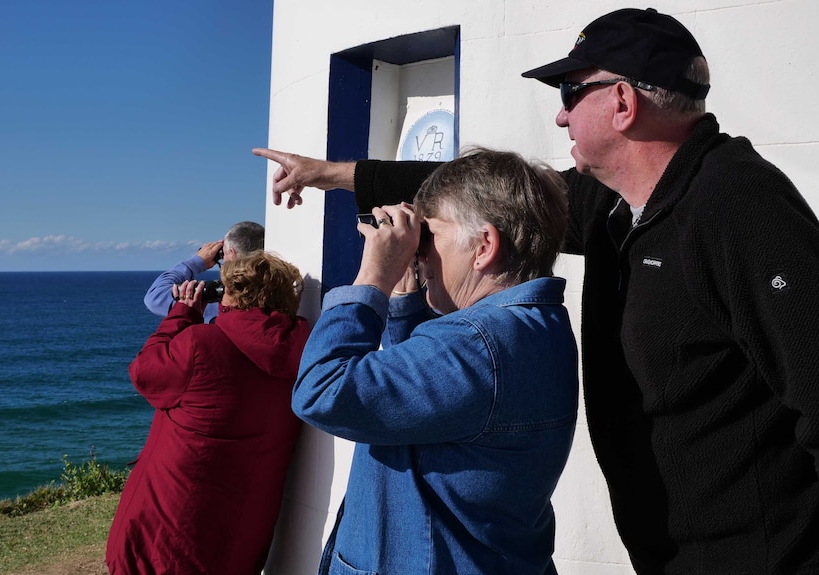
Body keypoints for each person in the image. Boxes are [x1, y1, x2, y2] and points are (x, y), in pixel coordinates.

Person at [253, 8, 819, 573]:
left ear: (623, 101)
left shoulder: (742, 208)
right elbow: (484, 198)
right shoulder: (614, 203)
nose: (560, 117)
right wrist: (330, 174)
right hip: (669, 551)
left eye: (572, 93)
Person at [292, 148, 579, 574]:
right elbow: (432, 406)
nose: (420, 254)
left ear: (484, 246)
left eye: (429, 238)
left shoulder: (478, 345)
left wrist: (373, 279)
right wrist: (407, 300)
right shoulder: (535, 326)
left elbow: (322, 390)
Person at [106, 251, 311, 575]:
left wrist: (182, 314)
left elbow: (144, 372)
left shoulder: (200, 345)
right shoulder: (304, 355)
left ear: (232, 295)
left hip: (167, 539)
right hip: (240, 540)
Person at [143, 221, 265, 323]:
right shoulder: (274, 294)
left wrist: (197, 261)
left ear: (231, 253)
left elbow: (155, 298)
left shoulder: (218, 300)